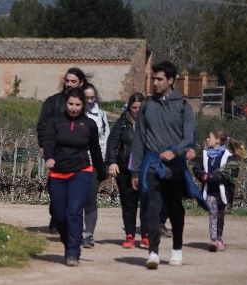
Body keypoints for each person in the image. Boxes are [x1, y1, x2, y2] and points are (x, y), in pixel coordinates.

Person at [131, 60, 203, 270]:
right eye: (153, 78)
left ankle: (177, 248)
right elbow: (139, 141)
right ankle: (153, 251)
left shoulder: (183, 107)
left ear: (171, 80)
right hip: (151, 165)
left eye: (159, 79)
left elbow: (189, 137)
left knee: (174, 208)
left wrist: (175, 151)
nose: (155, 82)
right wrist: (135, 170)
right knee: (151, 209)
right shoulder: (146, 107)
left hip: (174, 167)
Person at [42, 87, 107, 267]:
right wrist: (48, 157)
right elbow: (48, 142)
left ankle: (72, 252)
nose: (74, 108)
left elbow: (95, 150)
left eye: (78, 105)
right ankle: (68, 239)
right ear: (65, 103)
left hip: (81, 171)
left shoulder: (89, 125)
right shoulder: (55, 122)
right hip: (57, 172)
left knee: (74, 211)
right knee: (58, 214)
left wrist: (102, 172)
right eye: (71, 104)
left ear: (83, 105)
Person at [37, 67, 87, 234]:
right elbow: (42, 125)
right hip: (56, 154)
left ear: (81, 83)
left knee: (75, 191)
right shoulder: (52, 102)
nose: (69, 84)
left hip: (78, 155)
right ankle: (56, 218)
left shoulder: (85, 105)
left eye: (73, 81)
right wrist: (45, 147)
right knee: (56, 189)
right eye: (67, 81)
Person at [194, 130, 247, 252]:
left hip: (223, 192)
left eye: (209, 137)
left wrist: (210, 177)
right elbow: (196, 168)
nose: (207, 139)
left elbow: (231, 175)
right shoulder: (203, 156)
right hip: (210, 191)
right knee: (213, 212)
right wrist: (202, 175)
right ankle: (213, 240)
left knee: (220, 215)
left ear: (217, 140)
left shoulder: (229, 157)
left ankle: (219, 238)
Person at [106, 92, 146, 249]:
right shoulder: (122, 122)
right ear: (129, 108)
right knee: (129, 204)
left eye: (140, 107)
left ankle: (145, 235)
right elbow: (112, 143)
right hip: (125, 171)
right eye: (134, 107)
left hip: (145, 170)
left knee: (147, 204)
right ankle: (130, 235)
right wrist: (112, 162)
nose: (137, 110)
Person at [81, 83, 108, 248]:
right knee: (76, 199)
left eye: (92, 97)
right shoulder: (74, 113)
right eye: (87, 98)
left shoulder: (102, 115)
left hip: (95, 163)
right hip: (76, 162)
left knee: (90, 198)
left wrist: (103, 163)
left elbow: (104, 140)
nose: (90, 101)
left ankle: (89, 234)